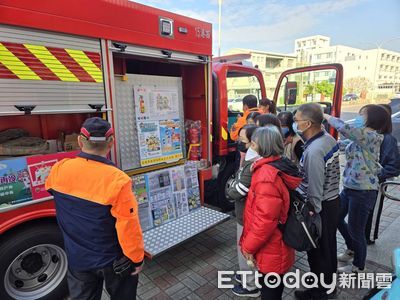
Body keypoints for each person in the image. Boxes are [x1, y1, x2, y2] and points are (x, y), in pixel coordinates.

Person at [45, 117, 144, 300]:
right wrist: (136, 258)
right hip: (113, 262)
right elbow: (128, 226)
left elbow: (53, 191)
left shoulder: (59, 169)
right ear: (112, 142)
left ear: (80, 141)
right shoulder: (118, 180)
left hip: (78, 258)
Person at [324, 105, 388, 274]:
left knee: (355, 229)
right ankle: (351, 248)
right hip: (349, 187)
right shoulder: (359, 138)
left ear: (372, 119)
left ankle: (359, 266)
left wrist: (326, 116)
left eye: (362, 114)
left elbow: (345, 129)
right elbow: (342, 143)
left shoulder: (372, 137)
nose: (358, 117)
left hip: (364, 190)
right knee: (336, 218)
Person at [240, 125, 302, 300]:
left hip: (272, 247)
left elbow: (265, 221)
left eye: (253, 144)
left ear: (263, 146)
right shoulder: (276, 165)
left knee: (270, 293)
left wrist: (248, 246)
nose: (250, 147)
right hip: (277, 245)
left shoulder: (266, 176)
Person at [293, 103, 340, 300]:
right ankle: (329, 286)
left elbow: (314, 188)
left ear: (308, 123)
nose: (295, 124)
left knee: (318, 252)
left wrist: (312, 215)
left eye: (297, 121)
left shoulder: (314, 151)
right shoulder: (327, 138)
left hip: (321, 207)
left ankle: (319, 293)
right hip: (333, 201)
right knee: (329, 248)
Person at [226, 125, 260, 297]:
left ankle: (250, 287)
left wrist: (229, 187)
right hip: (250, 215)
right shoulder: (255, 158)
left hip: (246, 216)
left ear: (254, 143)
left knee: (245, 251)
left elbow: (234, 191)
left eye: (242, 140)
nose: (239, 143)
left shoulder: (252, 164)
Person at [366, 104, 400, 244]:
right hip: (364, 185)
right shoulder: (367, 136)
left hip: (377, 184)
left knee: (373, 213)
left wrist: (377, 175)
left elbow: (394, 167)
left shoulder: (388, 139)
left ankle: (370, 238)